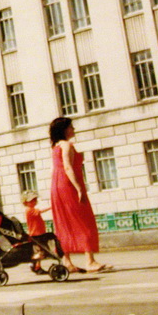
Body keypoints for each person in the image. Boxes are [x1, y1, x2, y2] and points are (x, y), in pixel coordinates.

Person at [49, 117, 109, 273]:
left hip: (56, 185)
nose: (73, 129)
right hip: (68, 185)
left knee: (63, 223)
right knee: (84, 220)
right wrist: (79, 188)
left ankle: (67, 261)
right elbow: (68, 168)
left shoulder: (56, 146)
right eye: (71, 127)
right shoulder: (67, 145)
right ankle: (90, 261)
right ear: (64, 129)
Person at [23, 193, 51, 274]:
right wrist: (51, 207)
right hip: (36, 234)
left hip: (40, 233)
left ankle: (37, 266)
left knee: (42, 250)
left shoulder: (31, 209)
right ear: (25, 202)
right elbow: (41, 211)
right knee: (41, 251)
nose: (34, 202)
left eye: (34, 200)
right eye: (31, 201)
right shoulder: (29, 210)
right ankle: (33, 262)